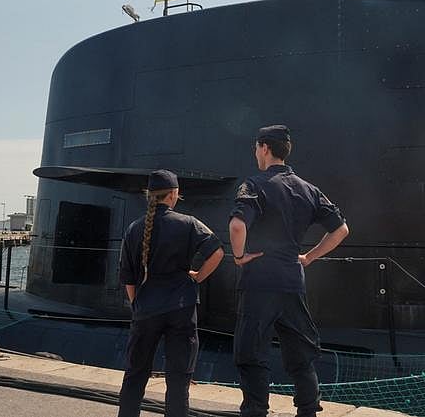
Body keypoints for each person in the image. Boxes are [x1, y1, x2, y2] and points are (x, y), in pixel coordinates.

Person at [229, 125, 350, 417]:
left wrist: (239, 255)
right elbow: (341, 229)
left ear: (265, 148)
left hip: (259, 282)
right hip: (292, 282)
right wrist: (308, 257)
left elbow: (237, 224)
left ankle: (255, 411)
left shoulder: (254, 185)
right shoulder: (308, 189)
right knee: (301, 355)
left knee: (252, 354)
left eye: (257, 148)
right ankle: (307, 411)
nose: (256, 153)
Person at [118, 169, 225, 417]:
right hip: (181, 308)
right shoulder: (188, 224)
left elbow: (128, 277)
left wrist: (138, 305)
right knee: (178, 381)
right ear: (174, 194)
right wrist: (198, 276)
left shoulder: (134, 229)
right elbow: (217, 252)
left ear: (149, 195)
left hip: (146, 309)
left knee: (135, 375)